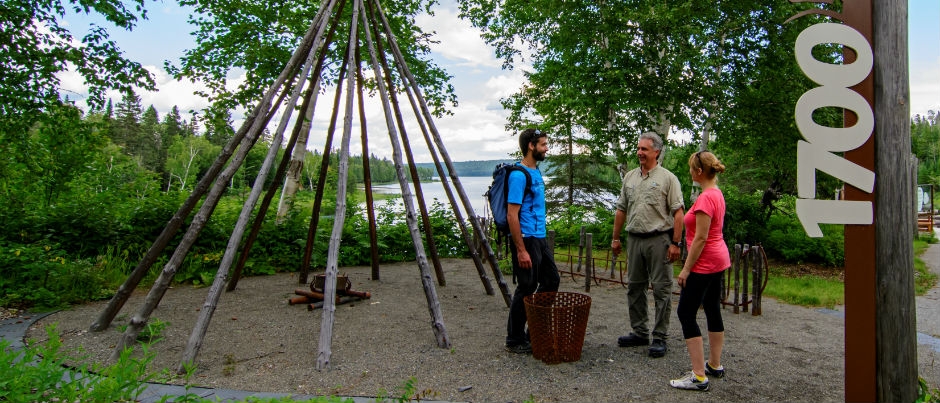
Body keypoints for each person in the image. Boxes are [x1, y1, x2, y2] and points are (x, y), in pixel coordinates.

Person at [610, 131, 684, 358]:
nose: (639, 153)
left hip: (659, 240)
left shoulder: (667, 179)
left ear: (657, 152)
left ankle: (660, 336)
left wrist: (675, 243)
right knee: (635, 287)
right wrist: (615, 238)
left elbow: (679, 213)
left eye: (644, 149)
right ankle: (639, 331)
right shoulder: (630, 177)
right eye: (639, 149)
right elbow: (621, 209)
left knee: (661, 289)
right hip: (635, 239)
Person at [669, 151, 730, 392]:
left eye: (690, 168)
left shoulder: (705, 198)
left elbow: (701, 238)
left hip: (705, 262)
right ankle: (714, 364)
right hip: (719, 259)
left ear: (698, 172)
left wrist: (685, 270)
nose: (689, 172)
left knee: (686, 312)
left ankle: (698, 376)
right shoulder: (716, 193)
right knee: (713, 308)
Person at [504, 128, 561, 354]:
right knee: (526, 287)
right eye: (543, 144)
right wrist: (520, 250)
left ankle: (533, 330)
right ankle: (514, 339)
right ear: (531, 146)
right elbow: (511, 215)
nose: (546, 148)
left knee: (551, 281)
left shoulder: (535, 172)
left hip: (540, 237)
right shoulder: (518, 175)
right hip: (526, 239)